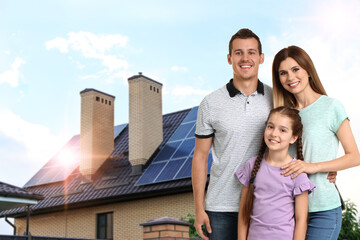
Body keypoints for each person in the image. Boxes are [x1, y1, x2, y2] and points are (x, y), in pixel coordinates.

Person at [272, 45, 360, 239]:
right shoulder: (283, 114)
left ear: (308, 71)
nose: (290, 77)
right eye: (283, 73)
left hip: (323, 209)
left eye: (296, 69)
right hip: (288, 209)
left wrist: (314, 166)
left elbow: (354, 156)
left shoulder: (331, 107)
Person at [192, 28, 272, 240]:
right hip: (221, 207)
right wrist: (199, 209)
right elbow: (200, 157)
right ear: (229, 58)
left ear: (261, 57)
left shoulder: (277, 99)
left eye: (251, 52)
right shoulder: (210, 103)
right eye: (238, 52)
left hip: (264, 204)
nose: (245, 58)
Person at [236, 106, 315, 240]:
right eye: (270, 127)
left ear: (293, 138)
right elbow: (243, 212)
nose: (274, 134)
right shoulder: (251, 165)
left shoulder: (298, 173)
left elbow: (301, 220)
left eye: (282, 130)